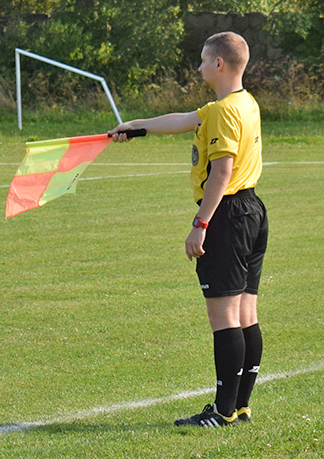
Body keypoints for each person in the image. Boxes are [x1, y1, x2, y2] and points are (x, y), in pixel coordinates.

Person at [108, 31, 268, 428]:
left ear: (219, 64)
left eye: (202, 60)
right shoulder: (242, 103)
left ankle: (223, 411)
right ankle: (240, 406)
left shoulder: (223, 111)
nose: (197, 67)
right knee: (245, 311)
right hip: (252, 211)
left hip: (227, 214)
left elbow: (222, 171)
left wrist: (201, 224)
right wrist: (138, 126)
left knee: (224, 316)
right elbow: (184, 119)